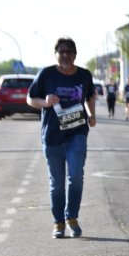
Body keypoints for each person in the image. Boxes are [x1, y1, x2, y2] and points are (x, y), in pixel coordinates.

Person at [27, 37, 96, 239]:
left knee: (75, 177)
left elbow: (90, 95)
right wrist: (45, 101)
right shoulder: (46, 74)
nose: (65, 55)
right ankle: (58, 222)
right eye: (61, 51)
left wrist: (91, 114)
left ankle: (72, 217)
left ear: (75, 54)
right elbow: (30, 98)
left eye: (69, 51)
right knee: (57, 183)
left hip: (77, 132)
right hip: (52, 136)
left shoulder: (84, 75)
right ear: (56, 54)